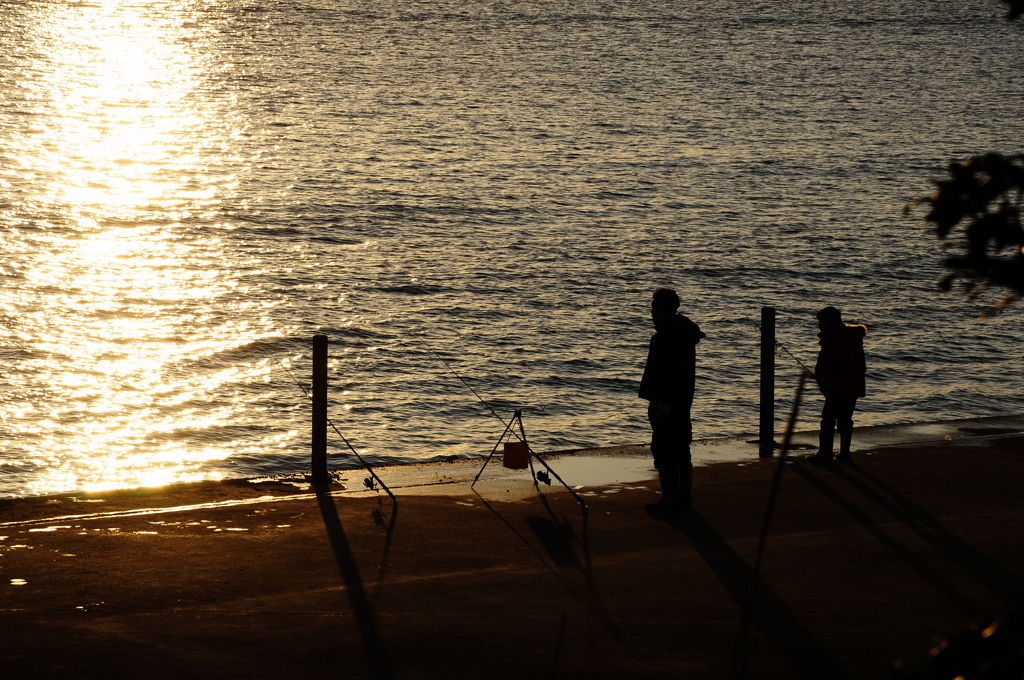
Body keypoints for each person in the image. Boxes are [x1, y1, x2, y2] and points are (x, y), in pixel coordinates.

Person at [638, 287, 705, 511]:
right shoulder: (680, 332)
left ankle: (670, 498)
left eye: (653, 307)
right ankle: (682, 496)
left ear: (662, 308)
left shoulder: (668, 336)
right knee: (679, 448)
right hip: (679, 400)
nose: (651, 312)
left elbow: (671, 372)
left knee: (665, 449)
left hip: (667, 400)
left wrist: (664, 401)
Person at [809, 306, 867, 462]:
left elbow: (827, 365)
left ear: (831, 322)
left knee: (828, 418)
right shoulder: (852, 337)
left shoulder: (834, 339)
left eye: (822, 322)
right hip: (853, 385)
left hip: (839, 386)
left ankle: (825, 453)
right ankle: (844, 453)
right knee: (845, 419)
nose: (820, 326)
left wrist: (825, 381)